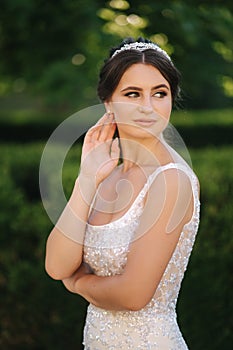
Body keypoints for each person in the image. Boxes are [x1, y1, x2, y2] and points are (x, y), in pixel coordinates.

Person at [45, 37, 200, 349]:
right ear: (108, 102)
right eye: (133, 94)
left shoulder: (172, 180)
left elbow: (133, 295)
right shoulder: (108, 174)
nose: (148, 107)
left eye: (160, 93)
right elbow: (57, 265)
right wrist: (86, 179)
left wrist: (78, 283)